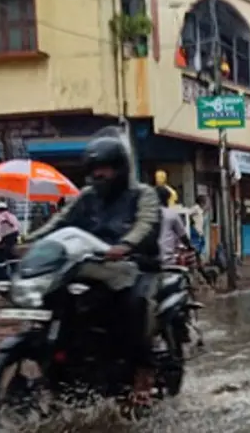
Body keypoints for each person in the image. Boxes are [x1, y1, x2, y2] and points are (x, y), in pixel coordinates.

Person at [24, 133, 163, 407]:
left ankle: (143, 371)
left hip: (137, 266)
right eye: (95, 169)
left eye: (106, 168)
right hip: (91, 266)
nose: (100, 174)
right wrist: (29, 242)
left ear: (120, 168)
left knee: (135, 304)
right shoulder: (86, 197)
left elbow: (145, 224)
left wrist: (125, 245)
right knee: (56, 297)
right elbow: (59, 222)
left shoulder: (142, 194)